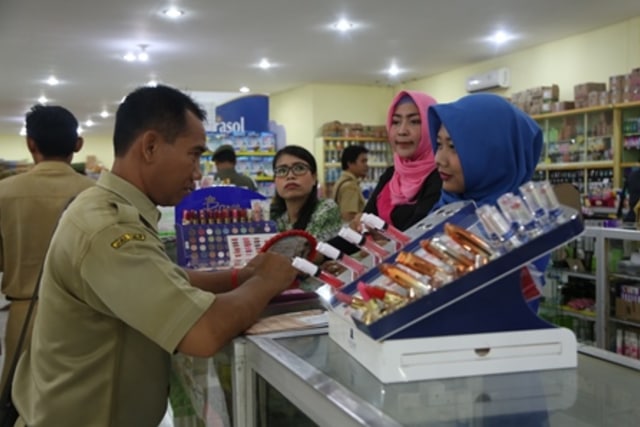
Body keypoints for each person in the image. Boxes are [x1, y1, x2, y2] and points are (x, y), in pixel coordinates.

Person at [11, 85, 297, 427]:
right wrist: (267, 281)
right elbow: (202, 332)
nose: (196, 173)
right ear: (149, 147)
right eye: (193, 154)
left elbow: (165, 278)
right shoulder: (109, 228)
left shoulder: (116, 210)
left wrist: (241, 277)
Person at [0, 105, 95, 391]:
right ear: (78, 145)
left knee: (21, 402)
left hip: (23, 316)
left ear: (31, 143)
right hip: (85, 319)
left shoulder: (4, 193)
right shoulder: (97, 194)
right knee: (83, 403)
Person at [428, 93, 546, 312]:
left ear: (492, 151)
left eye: (453, 147)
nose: (439, 159)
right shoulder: (445, 207)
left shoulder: (521, 223)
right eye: (439, 145)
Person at [361, 91, 442, 231]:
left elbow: (415, 234)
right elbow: (365, 222)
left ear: (432, 127)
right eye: (396, 122)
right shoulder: (392, 174)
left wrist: (383, 242)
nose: (402, 131)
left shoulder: (441, 176)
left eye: (415, 121)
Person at [271, 145, 342, 243]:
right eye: (282, 171)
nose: (290, 176)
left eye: (299, 168)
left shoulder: (326, 209)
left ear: (314, 178)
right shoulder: (277, 219)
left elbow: (308, 253)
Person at [332, 144, 369, 221]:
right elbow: (348, 217)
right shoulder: (350, 186)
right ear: (350, 163)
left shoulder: (341, 180)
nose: (366, 165)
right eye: (363, 161)